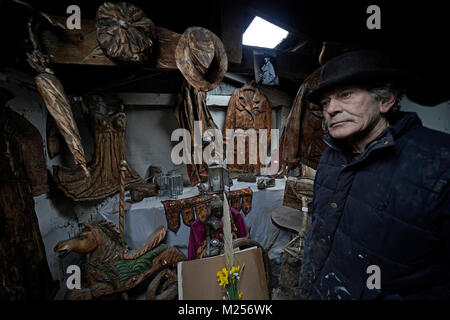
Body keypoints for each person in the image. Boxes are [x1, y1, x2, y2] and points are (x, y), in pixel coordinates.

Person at [295, 50, 450, 299]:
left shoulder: (439, 162)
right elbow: (319, 237)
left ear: (386, 100)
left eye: (345, 95)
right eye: (325, 102)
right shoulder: (330, 157)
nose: (331, 109)